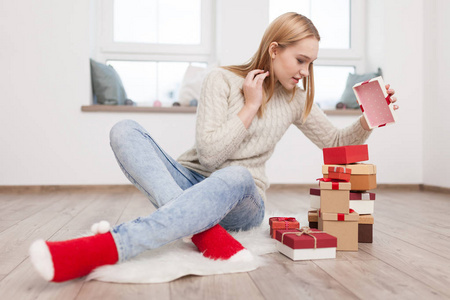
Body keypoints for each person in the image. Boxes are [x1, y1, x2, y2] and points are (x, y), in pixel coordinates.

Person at [29, 12, 398, 282]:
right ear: (274, 50)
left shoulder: (295, 99)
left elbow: (333, 143)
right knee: (124, 129)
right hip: (193, 179)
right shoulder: (220, 80)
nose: (305, 71)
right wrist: (250, 106)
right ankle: (203, 231)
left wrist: (369, 119)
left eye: (311, 63)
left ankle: (106, 247)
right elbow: (208, 155)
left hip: (242, 200)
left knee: (237, 174)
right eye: (300, 60)